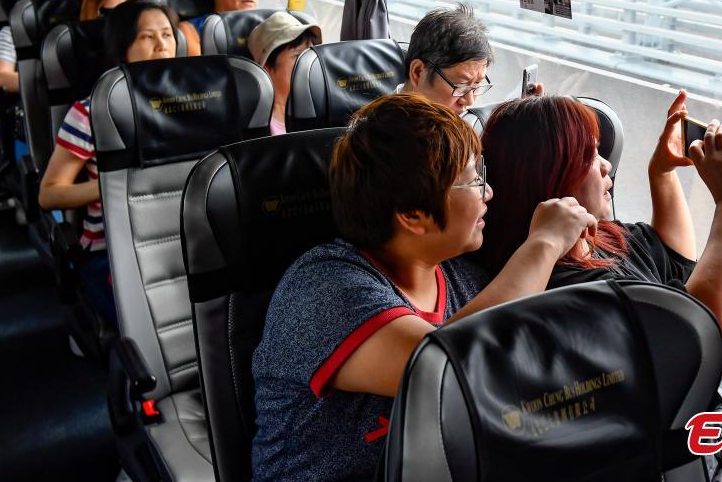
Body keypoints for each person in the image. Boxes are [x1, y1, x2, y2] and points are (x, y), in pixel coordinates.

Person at [252, 93, 594, 481]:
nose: (488, 192)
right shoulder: (322, 289)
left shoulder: (466, 283)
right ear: (413, 214)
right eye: (473, 180)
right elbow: (444, 369)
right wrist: (544, 244)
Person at [476, 92, 722, 339]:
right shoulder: (573, 291)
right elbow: (700, 329)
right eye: (589, 157)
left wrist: (662, 172)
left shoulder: (602, 237)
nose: (607, 165)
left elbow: (672, 258)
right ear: (546, 178)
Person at [38, 0, 179, 325]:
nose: (162, 46)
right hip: (111, 250)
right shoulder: (92, 112)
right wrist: (117, 186)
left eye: (167, 34)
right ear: (123, 48)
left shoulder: (195, 103)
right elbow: (49, 194)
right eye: (147, 37)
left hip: (178, 243)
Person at [399, 3, 544, 118]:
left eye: (476, 84)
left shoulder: (461, 122)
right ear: (418, 72)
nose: (470, 101)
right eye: (460, 85)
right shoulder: (386, 136)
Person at [248, 12, 322, 135]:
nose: (308, 64)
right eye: (298, 56)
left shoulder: (321, 108)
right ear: (267, 68)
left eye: (309, 55)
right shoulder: (257, 125)